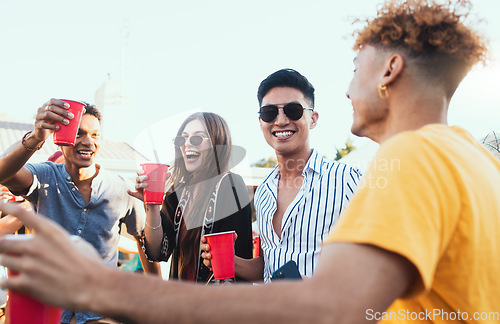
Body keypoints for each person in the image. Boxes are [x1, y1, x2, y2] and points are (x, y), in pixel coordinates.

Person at [0, 0, 499, 323]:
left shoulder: (411, 157)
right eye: (267, 111)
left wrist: (98, 286)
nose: (349, 87)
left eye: (355, 68)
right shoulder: (476, 162)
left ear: (391, 69)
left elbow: (333, 306)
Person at [0, 99, 153, 324]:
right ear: (60, 137)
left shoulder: (122, 188)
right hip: (49, 310)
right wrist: (36, 137)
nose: (88, 142)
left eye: (95, 135)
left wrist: (155, 300)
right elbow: (4, 174)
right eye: (79, 134)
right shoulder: (44, 176)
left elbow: (143, 240)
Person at [202, 68, 361, 282]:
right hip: (272, 314)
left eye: (293, 110)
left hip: (328, 314)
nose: (281, 120)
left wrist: (316, 287)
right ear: (261, 122)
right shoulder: (263, 193)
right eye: (270, 112)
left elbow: (381, 262)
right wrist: (227, 259)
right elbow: (269, 266)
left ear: (313, 119)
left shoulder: (347, 180)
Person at [128, 112, 253, 283]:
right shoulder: (177, 193)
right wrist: (152, 207)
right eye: (182, 139)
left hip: (219, 305)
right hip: (182, 304)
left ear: (217, 144)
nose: (186, 144)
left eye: (196, 139)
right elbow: (158, 252)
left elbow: (233, 262)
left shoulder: (230, 185)